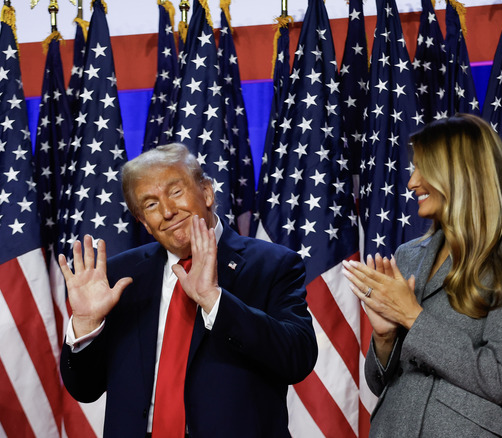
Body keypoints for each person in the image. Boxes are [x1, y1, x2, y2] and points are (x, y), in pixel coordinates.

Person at [58, 143, 317, 437]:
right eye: (151, 204)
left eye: (176, 192)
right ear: (144, 222)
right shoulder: (120, 277)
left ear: (206, 192)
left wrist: (214, 300)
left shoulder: (273, 264)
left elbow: (298, 358)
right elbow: (85, 389)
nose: (167, 211)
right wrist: (86, 324)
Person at [343, 113, 502, 437]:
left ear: (461, 174)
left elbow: (499, 378)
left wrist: (412, 316)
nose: (412, 182)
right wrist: (384, 337)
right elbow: (380, 381)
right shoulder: (408, 255)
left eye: (423, 168)